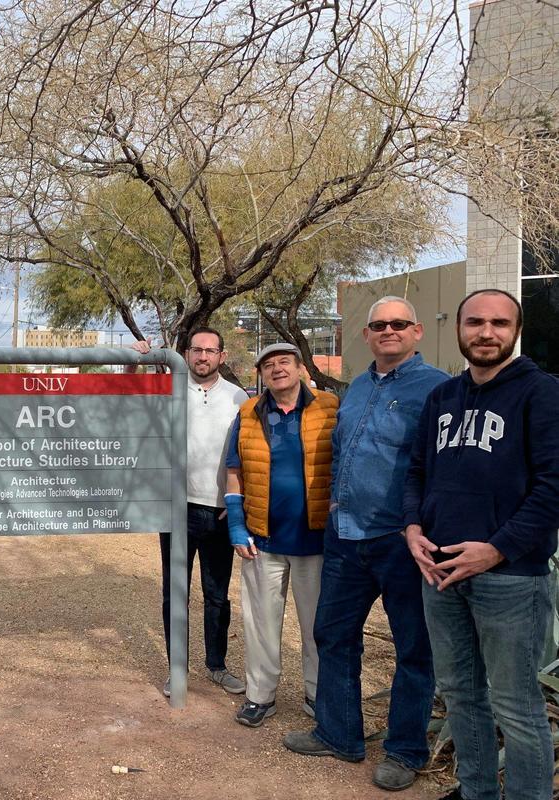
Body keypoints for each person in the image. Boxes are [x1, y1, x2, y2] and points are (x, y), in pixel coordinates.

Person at [282, 297, 445, 791]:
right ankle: (339, 733)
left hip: (402, 540)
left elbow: (441, 466)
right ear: (367, 334)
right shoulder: (355, 387)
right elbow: (342, 450)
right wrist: (335, 498)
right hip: (346, 536)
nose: (388, 330)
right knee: (333, 635)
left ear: (417, 331)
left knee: (413, 649)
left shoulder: (438, 389)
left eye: (398, 323)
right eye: (379, 325)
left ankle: (405, 750)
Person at [403, 289, 559, 800]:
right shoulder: (442, 398)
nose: (486, 332)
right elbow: (417, 472)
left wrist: (495, 549)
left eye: (499, 323)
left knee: (516, 707)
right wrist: (412, 527)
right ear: (459, 329)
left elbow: (553, 487)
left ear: (516, 331)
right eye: (475, 322)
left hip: (510, 580)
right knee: (461, 695)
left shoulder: (542, 393)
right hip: (441, 571)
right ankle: (476, 791)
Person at [224, 341, 338, 727]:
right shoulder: (248, 412)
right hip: (262, 540)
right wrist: (237, 526)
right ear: (261, 374)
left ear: (301, 367)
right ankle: (260, 696)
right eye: (268, 365)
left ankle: (317, 695)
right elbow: (234, 471)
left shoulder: (330, 407)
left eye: (284, 361)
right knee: (261, 624)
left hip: (315, 540)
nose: (277, 369)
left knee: (317, 625)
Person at [131, 328, 248, 697]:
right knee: (175, 593)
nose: (203, 357)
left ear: (222, 356)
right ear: (186, 353)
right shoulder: (169, 389)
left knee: (217, 595)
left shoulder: (239, 397)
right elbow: (129, 402)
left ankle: (216, 665)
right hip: (176, 509)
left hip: (219, 512)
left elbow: (247, 454)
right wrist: (135, 362)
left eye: (210, 351)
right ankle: (176, 669)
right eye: (197, 350)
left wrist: (238, 502)